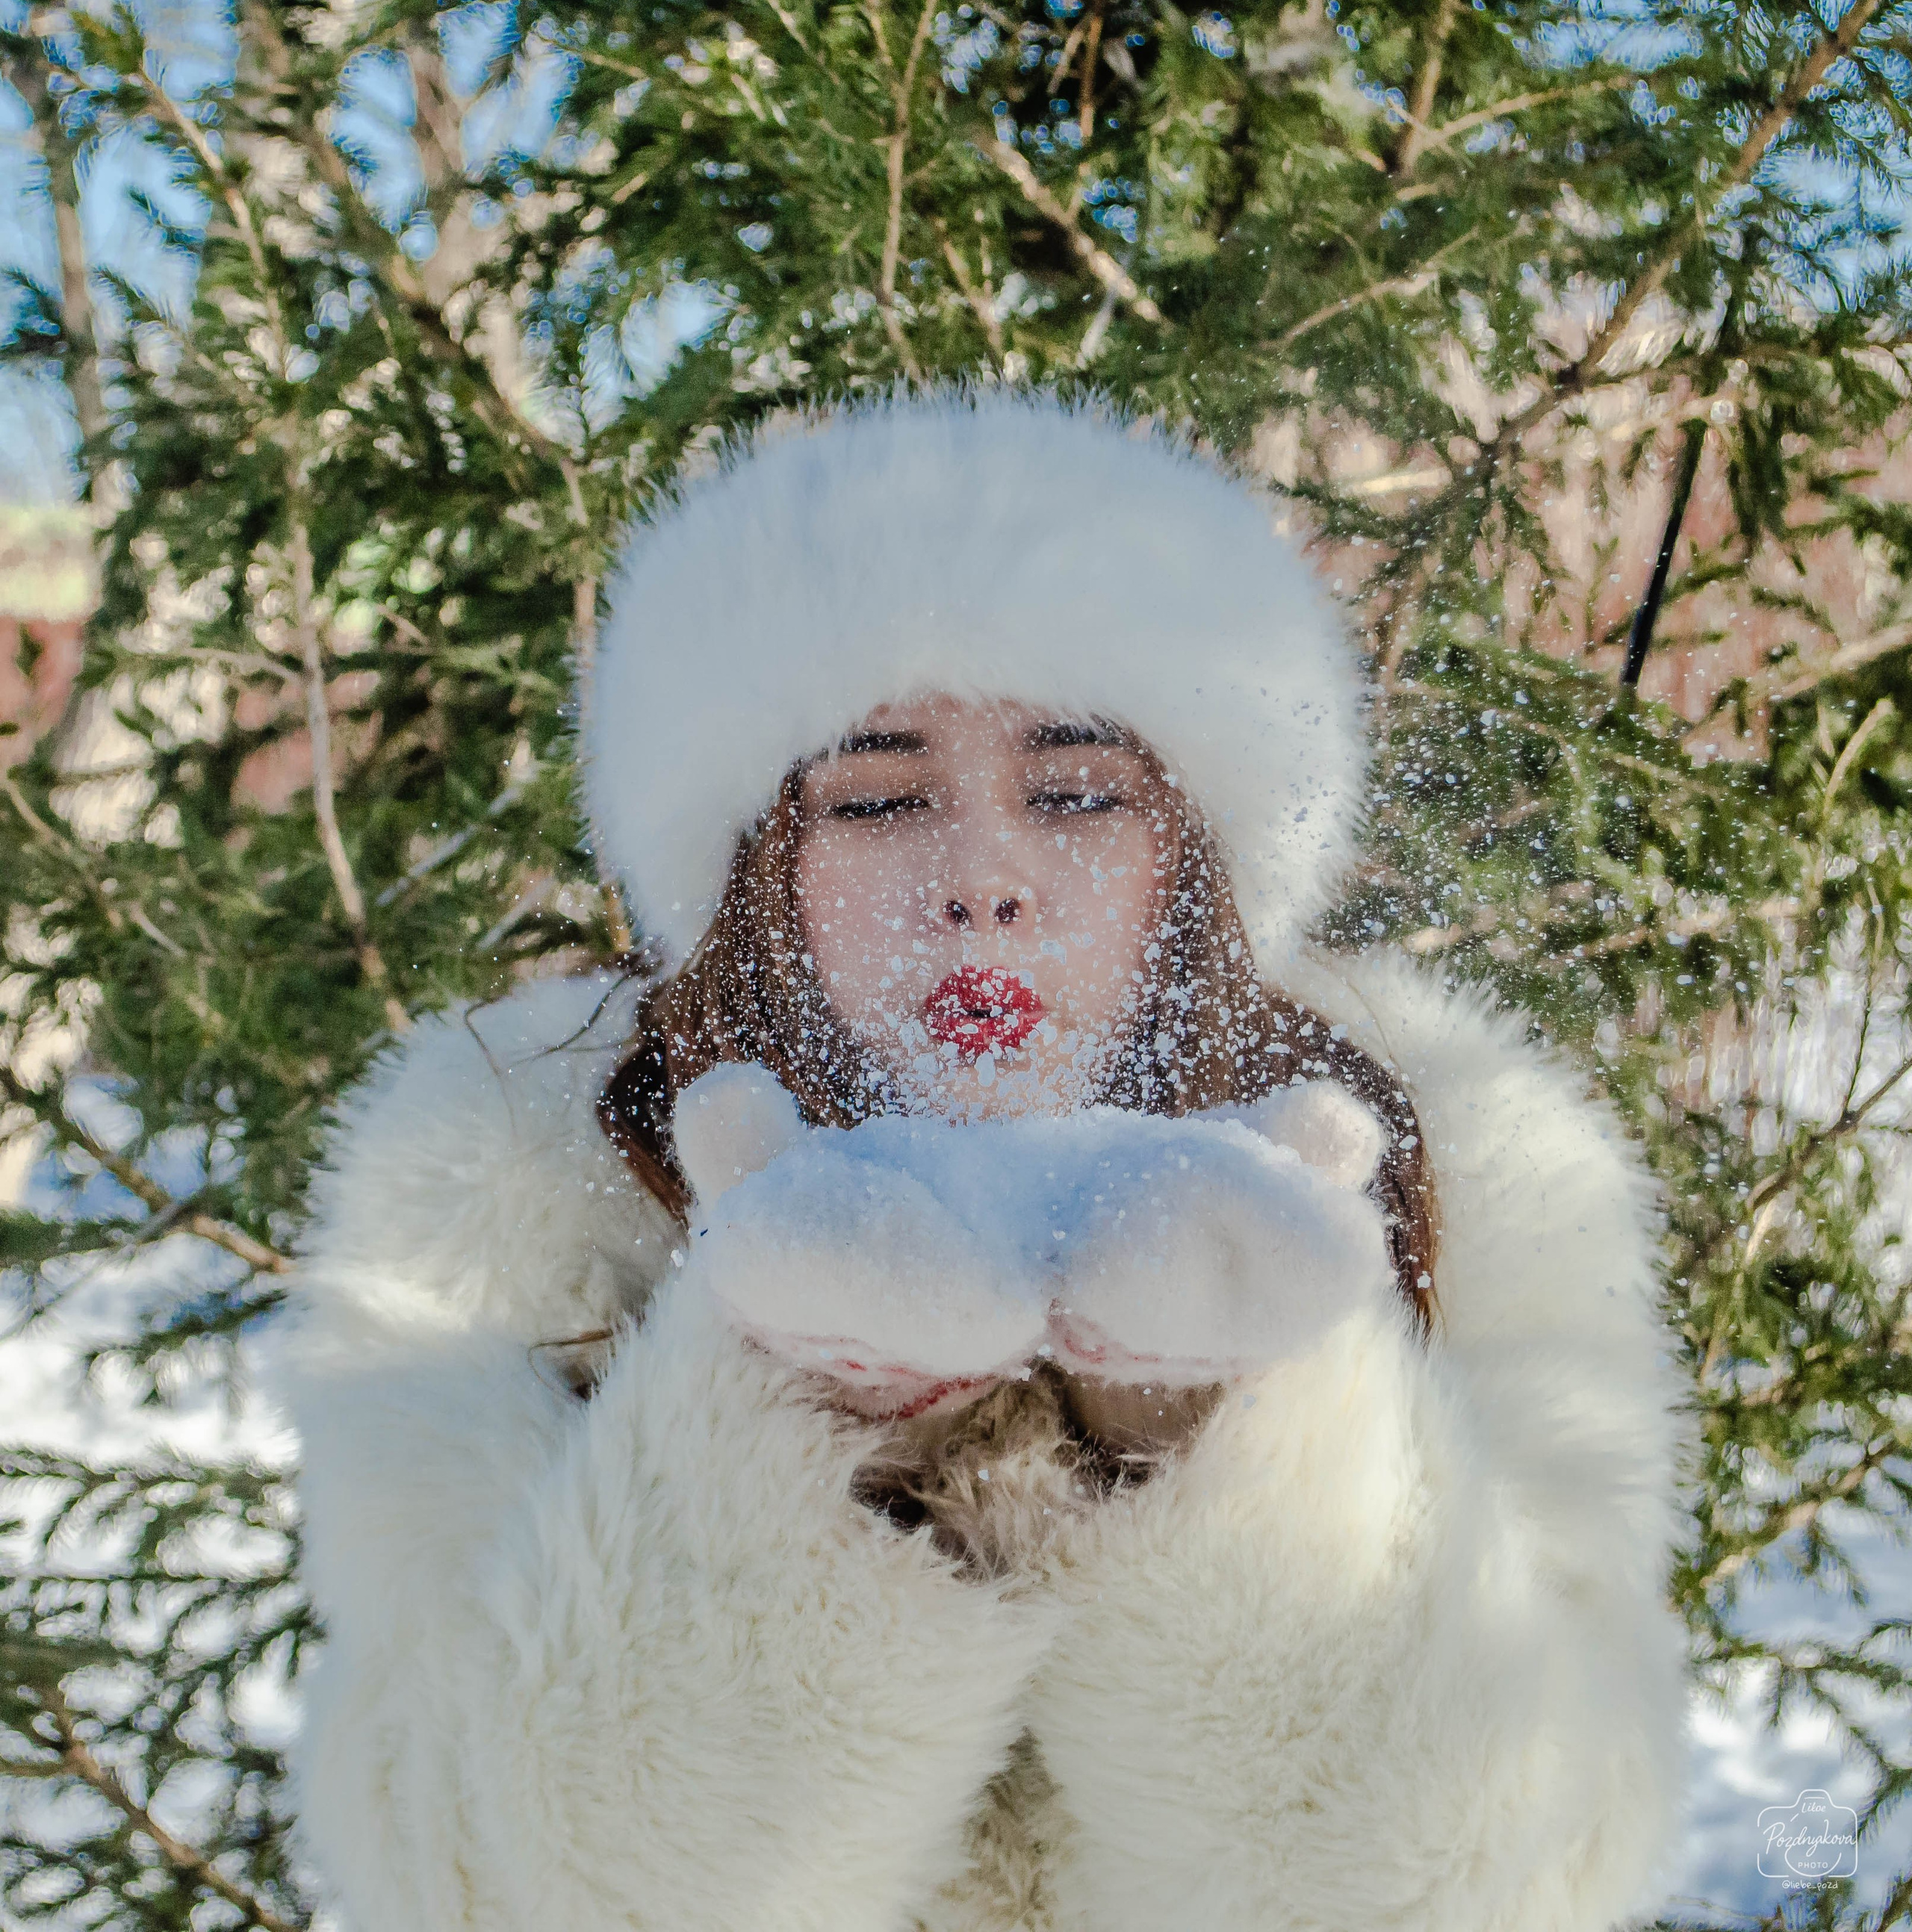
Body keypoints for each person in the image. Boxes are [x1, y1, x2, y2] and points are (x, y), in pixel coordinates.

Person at [279, 391, 1689, 1932]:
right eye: (878, 797)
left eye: (1075, 791)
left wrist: (1224, 1438)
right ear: (757, 870)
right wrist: (806, 1413)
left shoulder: (1460, 1169)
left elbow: (1510, 1881)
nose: (981, 881)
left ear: (1193, 856)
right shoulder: (510, 1187)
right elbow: (482, 1886)